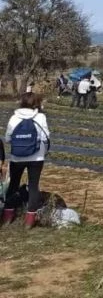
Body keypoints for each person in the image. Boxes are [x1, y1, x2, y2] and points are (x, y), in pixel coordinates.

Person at [2, 93, 50, 228]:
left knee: (13, 185)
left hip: (17, 157)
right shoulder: (40, 117)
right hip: (37, 157)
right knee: (33, 186)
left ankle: (7, 217)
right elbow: (46, 137)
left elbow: (7, 138)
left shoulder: (14, 117)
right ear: (36, 103)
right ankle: (29, 220)